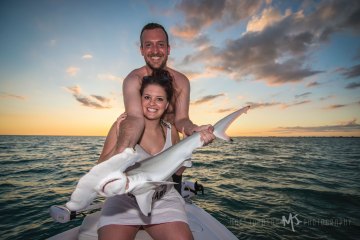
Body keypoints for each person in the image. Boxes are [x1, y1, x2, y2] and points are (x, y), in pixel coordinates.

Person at [98, 22, 215, 164]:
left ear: (168, 48)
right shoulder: (133, 80)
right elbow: (135, 117)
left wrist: (194, 130)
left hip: (168, 145)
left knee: (174, 180)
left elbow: (181, 119)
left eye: (160, 44)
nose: (155, 51)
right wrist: (122, 150)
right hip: (139, 145)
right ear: (141, 50)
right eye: (148, 45)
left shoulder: (181, 81)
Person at [98, 69, 193, 240]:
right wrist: (120, 144)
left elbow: (178, 173)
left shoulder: (171, 132)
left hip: (162, 198)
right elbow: (100, 170)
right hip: (124, 200)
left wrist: (188, 150)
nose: (152, 103)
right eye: (147, 97)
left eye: (159, 99)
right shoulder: (122, 127)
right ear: (139, 99)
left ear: (166, 105)